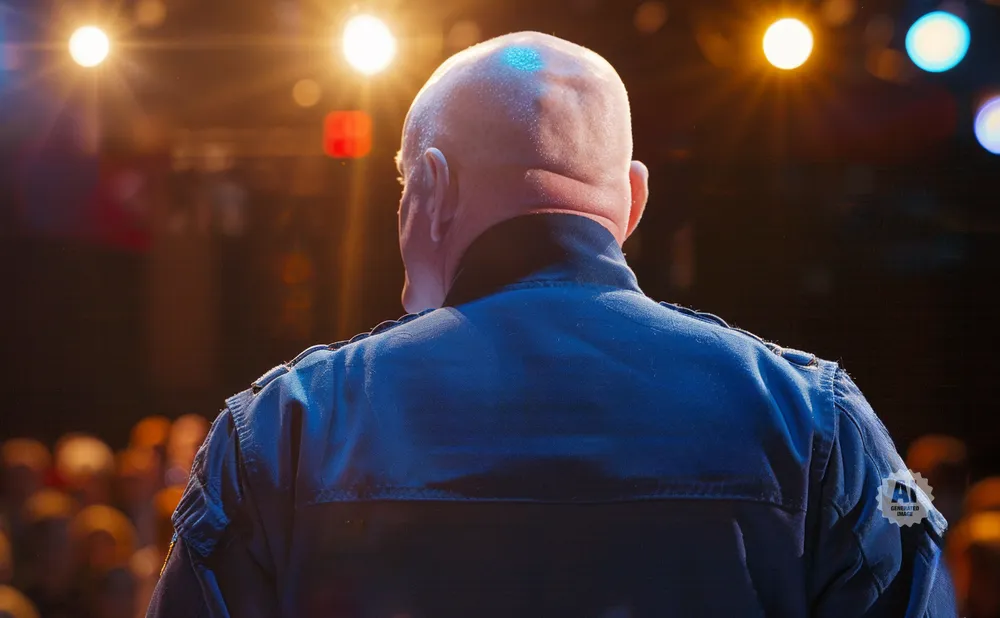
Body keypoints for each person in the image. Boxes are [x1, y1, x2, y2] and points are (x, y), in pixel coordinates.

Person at [148, 31, 956, 617]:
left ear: (429, 185)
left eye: (400, 185)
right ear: (632, 199)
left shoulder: (288, 427)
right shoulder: (815, 422)